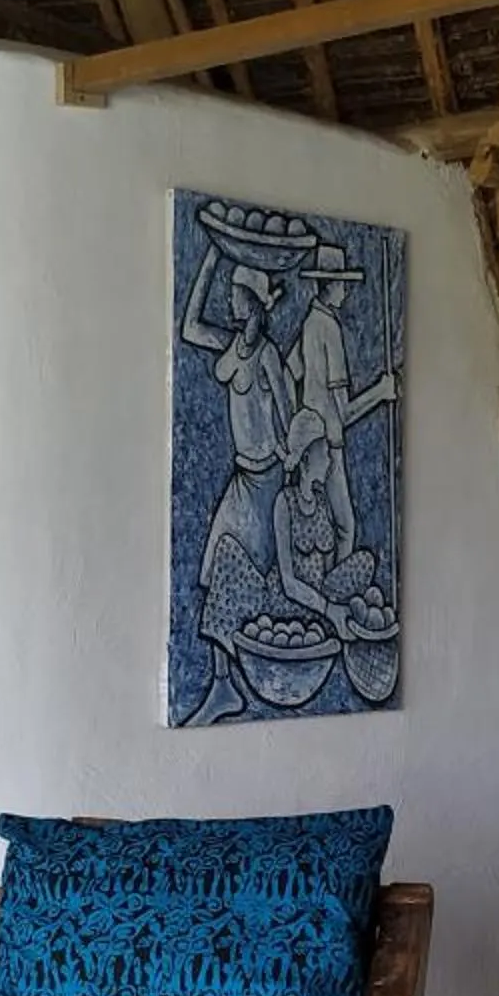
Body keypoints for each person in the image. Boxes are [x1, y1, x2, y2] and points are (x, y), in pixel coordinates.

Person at [175, 245, 309, 724]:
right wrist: (209, 255)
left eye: (236, 294)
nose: (230, 303)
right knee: (215, 569)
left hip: (266, 482)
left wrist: (288, 460)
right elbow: (189, 327)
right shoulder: (233, 345)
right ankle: (222, 683)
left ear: (253, 303)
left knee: (243, 578)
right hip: (240, 478)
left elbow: (289, 413)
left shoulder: (268, 355)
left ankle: (233, 683)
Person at [283, 245, 400, 639]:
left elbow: (288, 370)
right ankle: (333, 614)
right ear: (329, 286)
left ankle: (325, 607)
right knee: (345, 527)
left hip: (311, 438)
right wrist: (381, 392)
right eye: (342, 286)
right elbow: (344, 412)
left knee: (332, 527)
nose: (346, 293)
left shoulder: (308, 324)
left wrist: (297, 415)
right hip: (327, 444)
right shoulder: (328, 329)